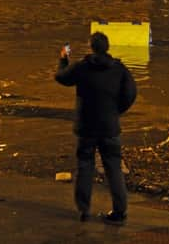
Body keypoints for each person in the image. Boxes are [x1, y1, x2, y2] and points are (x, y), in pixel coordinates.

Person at [55, 32, 137, 226]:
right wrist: (116, 111)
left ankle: (84, 209)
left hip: (87, 128)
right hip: (110, 127)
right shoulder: (119, 69)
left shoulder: (82, 68)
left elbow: (61, 77)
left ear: (91, 47)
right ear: (107, 47)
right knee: (113, 168)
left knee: (85, 166)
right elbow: (131, 93)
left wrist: (63, 59)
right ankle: (119, 211)